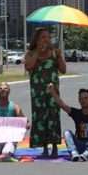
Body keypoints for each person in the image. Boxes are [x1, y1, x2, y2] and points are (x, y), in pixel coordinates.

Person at [25, 27, 66, 158]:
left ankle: (54, 147)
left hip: (53, 91)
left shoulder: (54, 52)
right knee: (40, 117)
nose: (46, 40)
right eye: (43, 37)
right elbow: (28, 66)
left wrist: (59, 56)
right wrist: (38, 52)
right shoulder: (31, 53)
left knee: (53, 116)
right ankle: (44, 147)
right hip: (38, 91)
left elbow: (63, 70)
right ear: (37, 39)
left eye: (48, 37)